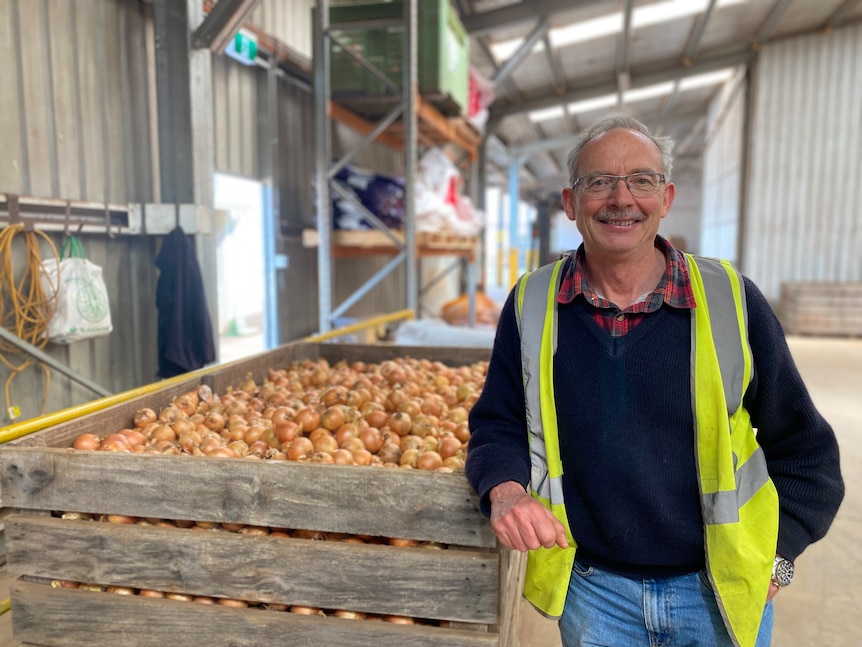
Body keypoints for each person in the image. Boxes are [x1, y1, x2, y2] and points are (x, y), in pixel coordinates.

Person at [465, 114, 844, 647]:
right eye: (598, 182)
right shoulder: (531, 302)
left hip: (716, 590)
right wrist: (504, 490)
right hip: (593, 596)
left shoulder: (730, 300)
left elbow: (807, 450)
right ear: (571, 204)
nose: (622, 199)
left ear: (665, 198)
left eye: (641, 181)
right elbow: (497, 422)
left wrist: (777, 559)